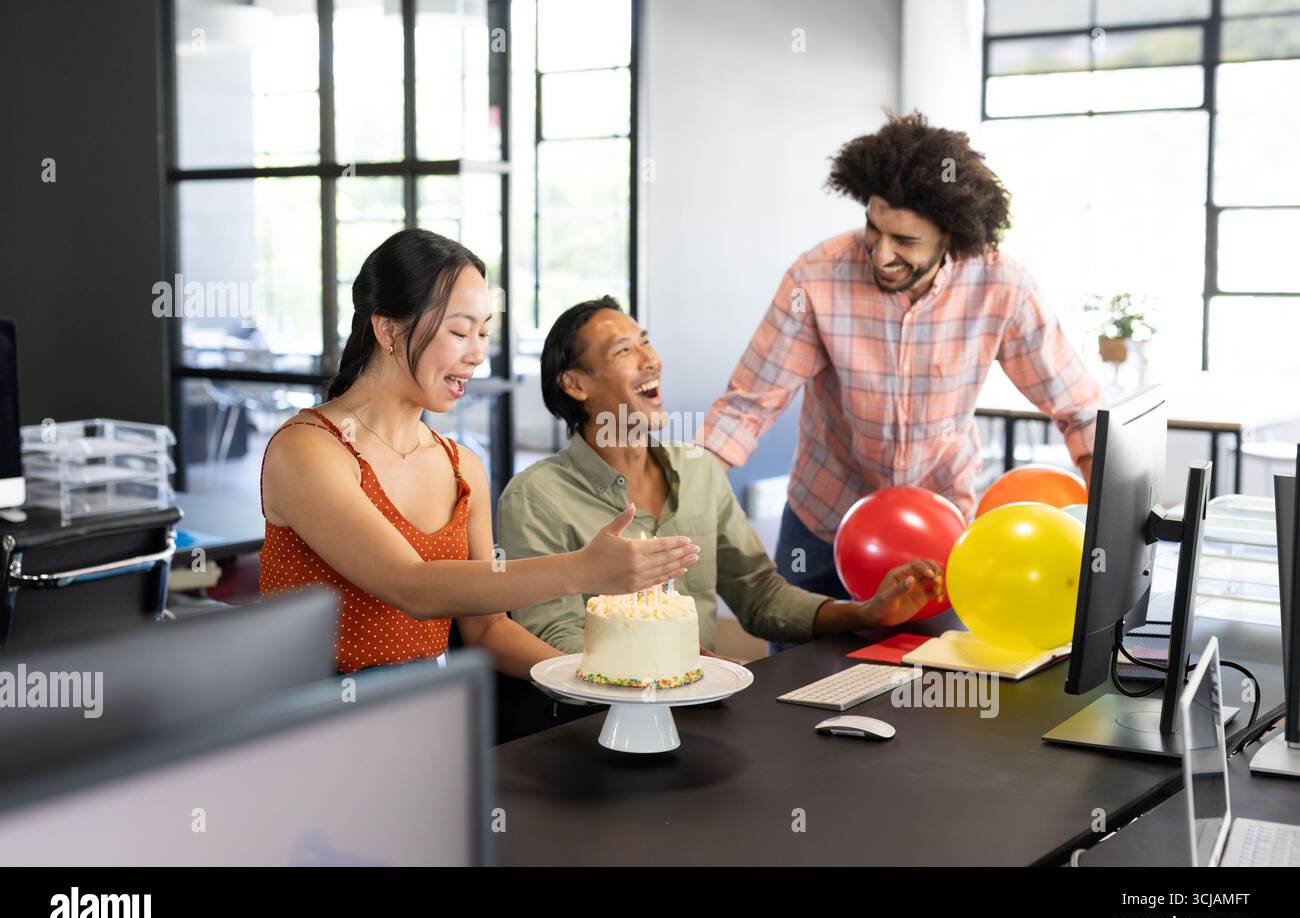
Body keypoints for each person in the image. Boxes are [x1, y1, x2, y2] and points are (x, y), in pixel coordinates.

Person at [696, 111, 1102, 600]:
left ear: (951, 236)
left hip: (940, 526)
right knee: (799, 668)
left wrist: (1113, 514)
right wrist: (686, 495)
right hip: (824, 521)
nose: (881, 254)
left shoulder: (1002, 287)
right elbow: (748, 404)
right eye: (873, 228)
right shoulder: (817, 277)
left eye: (906, 241)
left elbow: (1076, 407)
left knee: (929, 669)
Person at [259, 229, 700, 677]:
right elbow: (411, 586)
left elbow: (488, 630)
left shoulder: (461, 468)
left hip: (428, 711)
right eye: (459, 331)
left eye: (484, 333)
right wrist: (581, 570)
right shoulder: (308, 448)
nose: (477, 355)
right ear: (388, 329)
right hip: (312, 722)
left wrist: (606, 680)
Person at [496, 296, 940, 655]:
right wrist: (671, 663)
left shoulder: (699, 470)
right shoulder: (535, 498)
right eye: (624, 350)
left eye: (645, 341)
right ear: (576, 385)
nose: (649, 359)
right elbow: (557, 636)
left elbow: (760, 596)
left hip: (697, 714)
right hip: (595, 726)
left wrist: (867, 613)